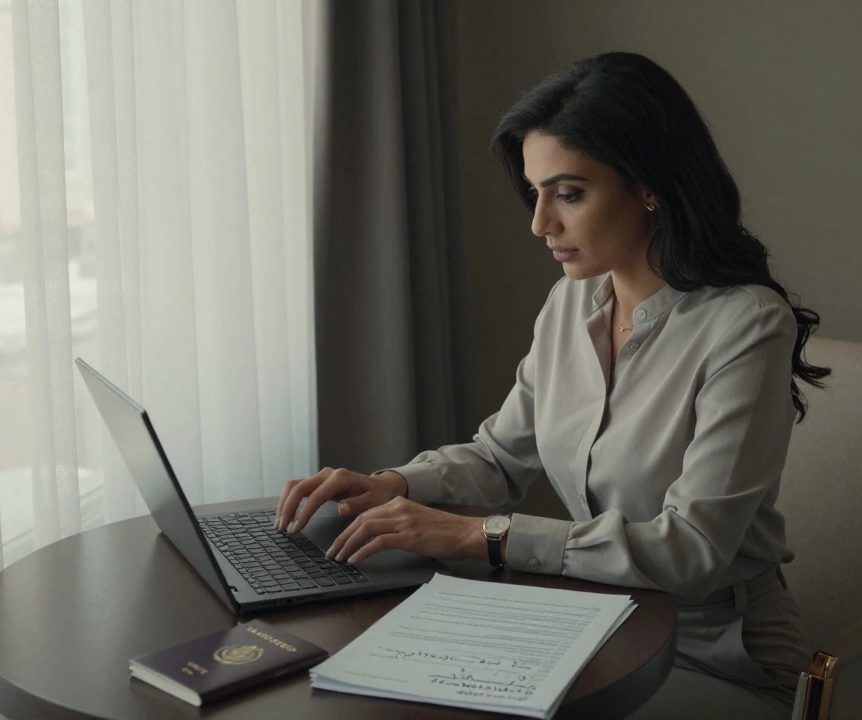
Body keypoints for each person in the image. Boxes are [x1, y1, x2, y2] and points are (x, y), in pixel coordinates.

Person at [274, 51, 830, 718]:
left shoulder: (746, 326)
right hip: (595, 624)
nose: (540, 223)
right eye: (536, 192)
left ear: (650, 186)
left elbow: (692, 550)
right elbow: (499, 458)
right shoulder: (573, 303)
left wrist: (480, 537)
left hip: (719, 655)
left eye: (568, 194)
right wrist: (394, 485)